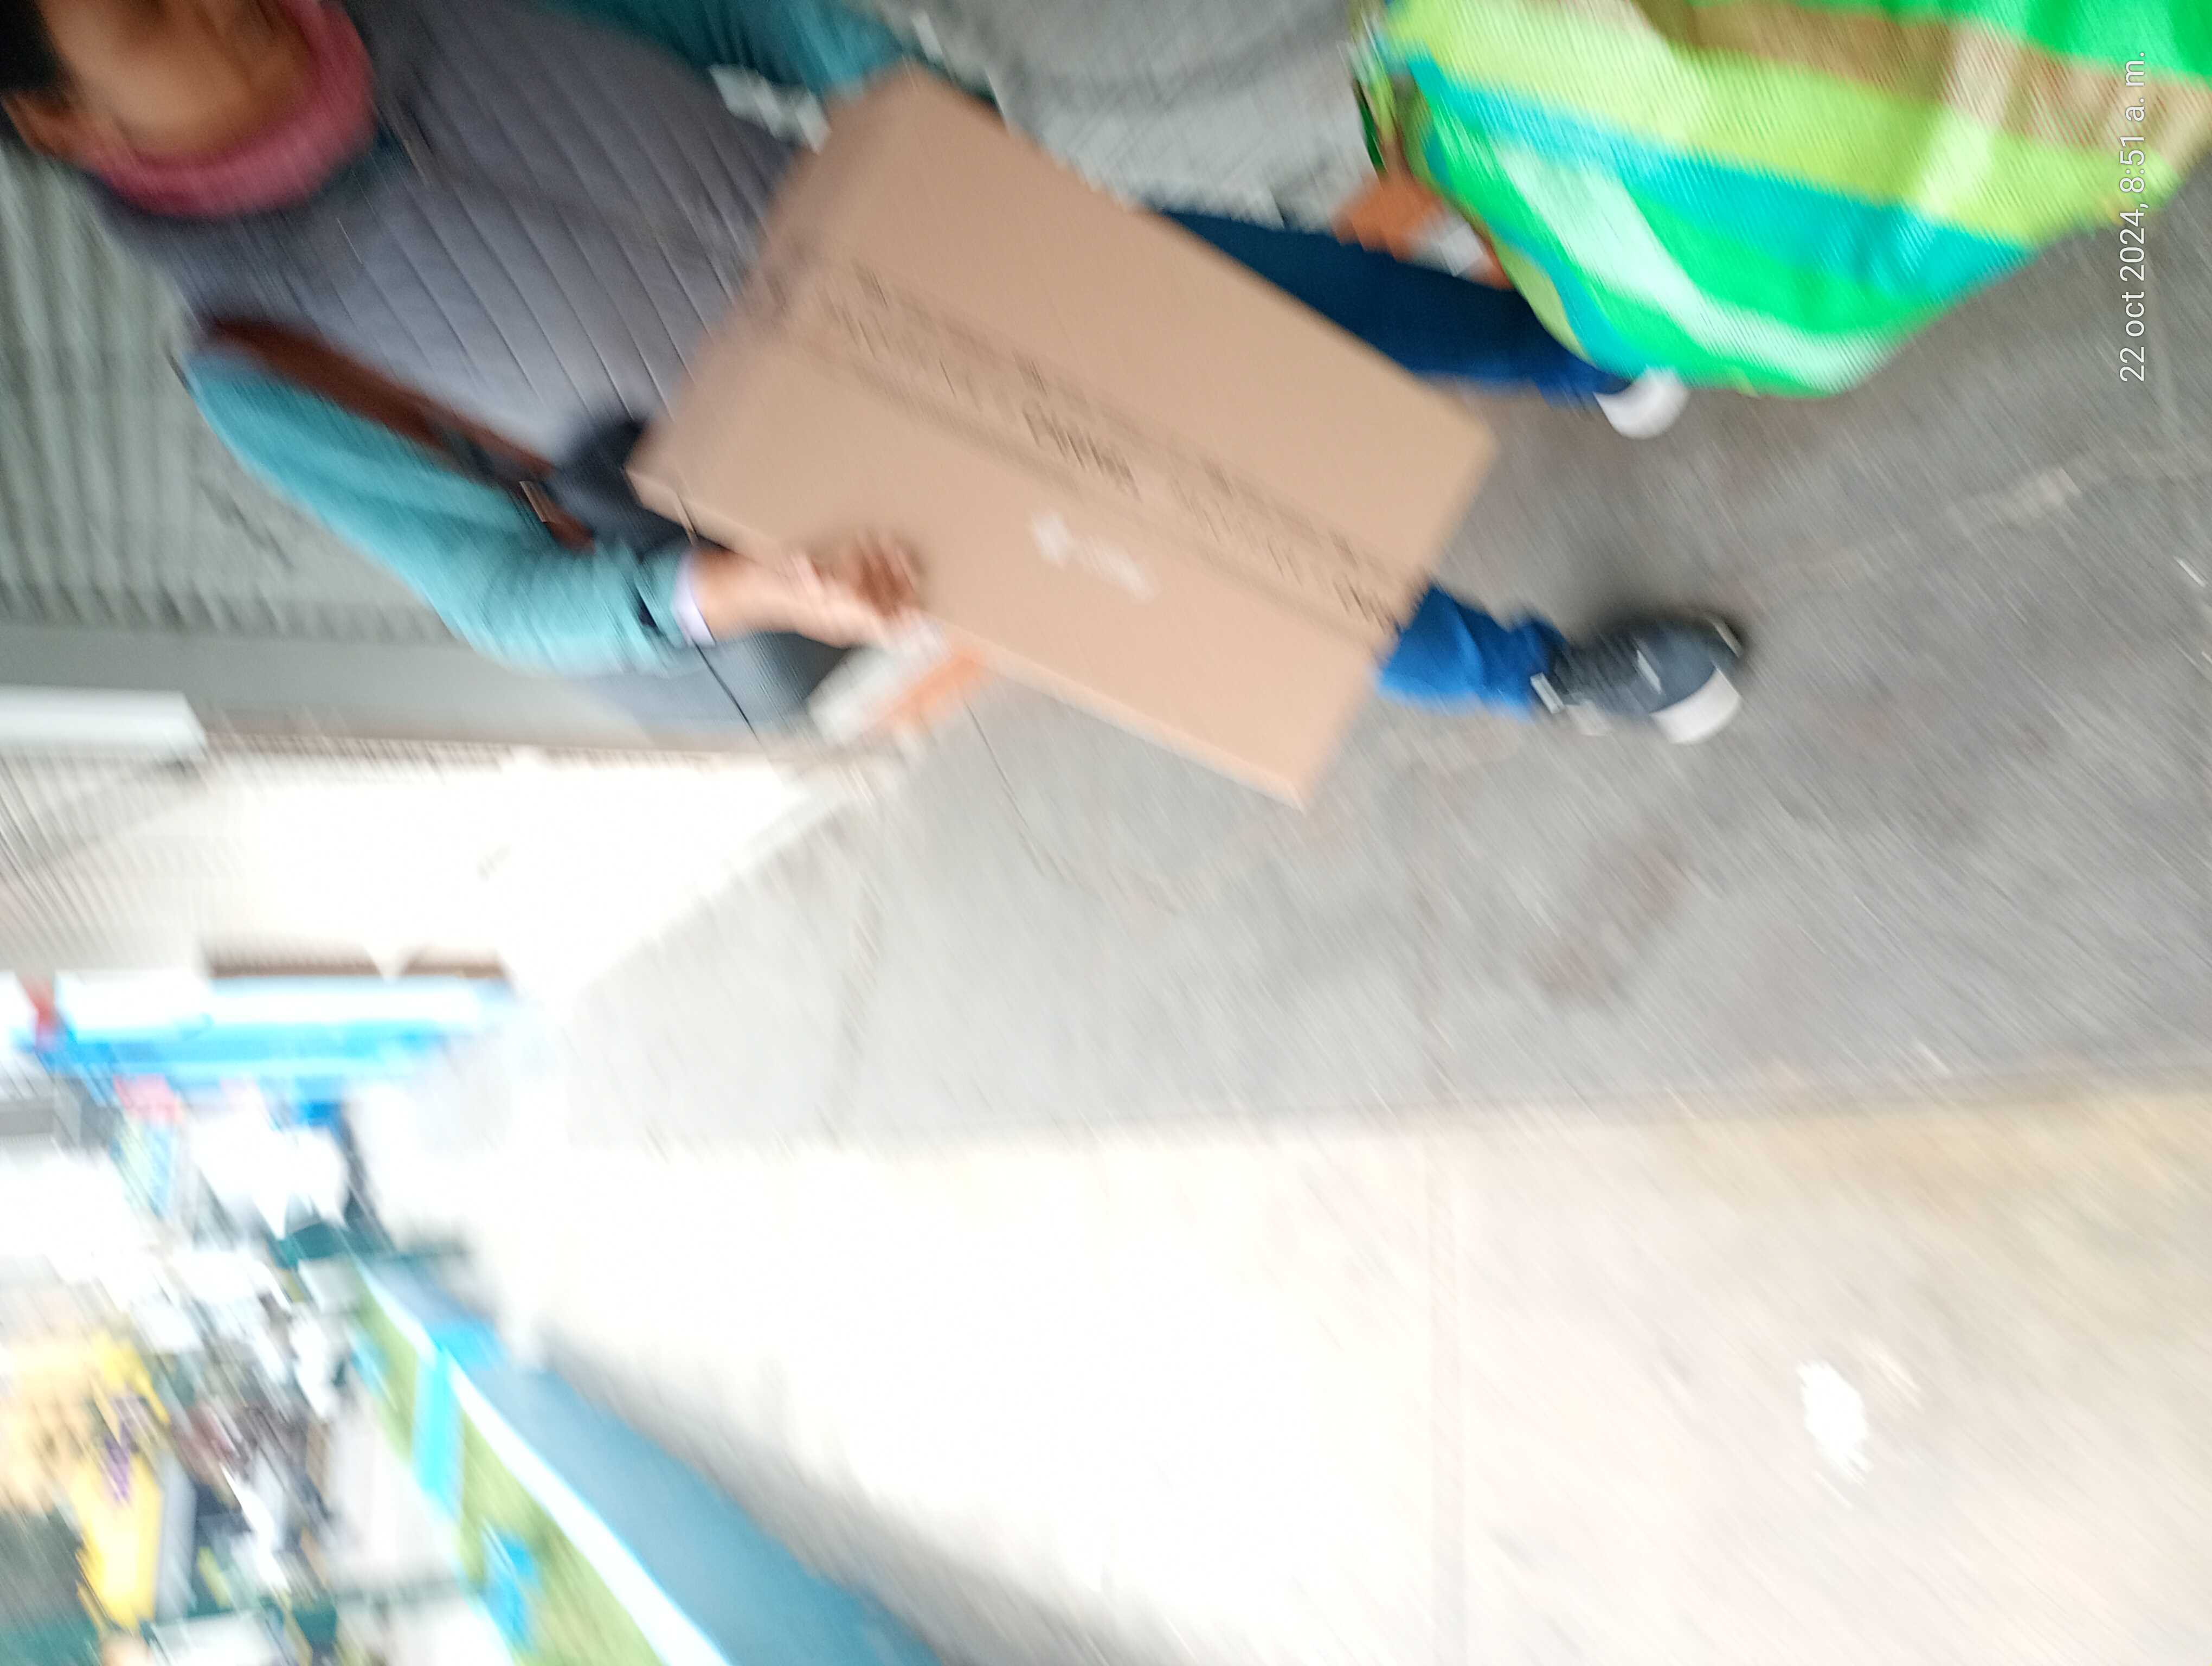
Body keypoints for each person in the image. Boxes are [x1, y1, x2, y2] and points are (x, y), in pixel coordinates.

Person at [1, 0, 1744, 742]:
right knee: (1252, 576)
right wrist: (752, 587)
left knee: (1298, 301)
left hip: (937, 241)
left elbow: (736, 15)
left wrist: (889, 84)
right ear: (62, 118)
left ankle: (1571, 354)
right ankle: (1535, 677)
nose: (222, 4)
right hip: (848, 467)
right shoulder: (259, 357)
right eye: (145, 11)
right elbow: (499, 594)